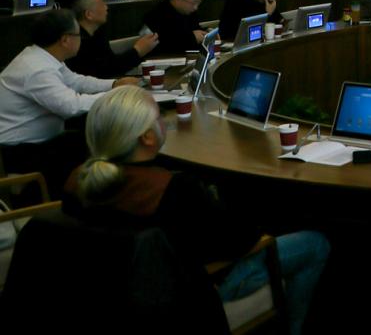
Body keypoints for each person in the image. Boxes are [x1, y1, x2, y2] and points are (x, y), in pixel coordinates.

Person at [63, 86, 330, 335]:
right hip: (190, 299)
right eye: (158, 117)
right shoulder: (173, 190)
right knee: (316, 243)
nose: (164, 121)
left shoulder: (78, 181)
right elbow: (239, 241)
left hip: (111, 299)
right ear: (147, 137)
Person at [0, 9, 137, 192]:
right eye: (79, 35)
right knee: (95, 142)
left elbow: (76, 81)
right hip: (19, 152)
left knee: (90, 138)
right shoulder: (37, 69)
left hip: (36, 143)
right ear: (65, 40)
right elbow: (70, 106)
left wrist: (114, 84)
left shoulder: (42, 57)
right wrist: (118, 95)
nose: (81, 40)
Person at [65, 0, 160, 79]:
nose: (106, 7)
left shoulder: (97, 32)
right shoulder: (78, 43)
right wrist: (138, 50)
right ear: (89, 14)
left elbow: (110, 62)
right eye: (102, 3)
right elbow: (107, 71)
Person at [142, 0, 208, 54]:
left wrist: (206, 32)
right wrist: (192, 38)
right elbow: (162, 46)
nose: (195, 7)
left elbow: (195, 29)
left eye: (198, 3)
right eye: (193, 3)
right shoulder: (156, 16)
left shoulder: (189, 11)